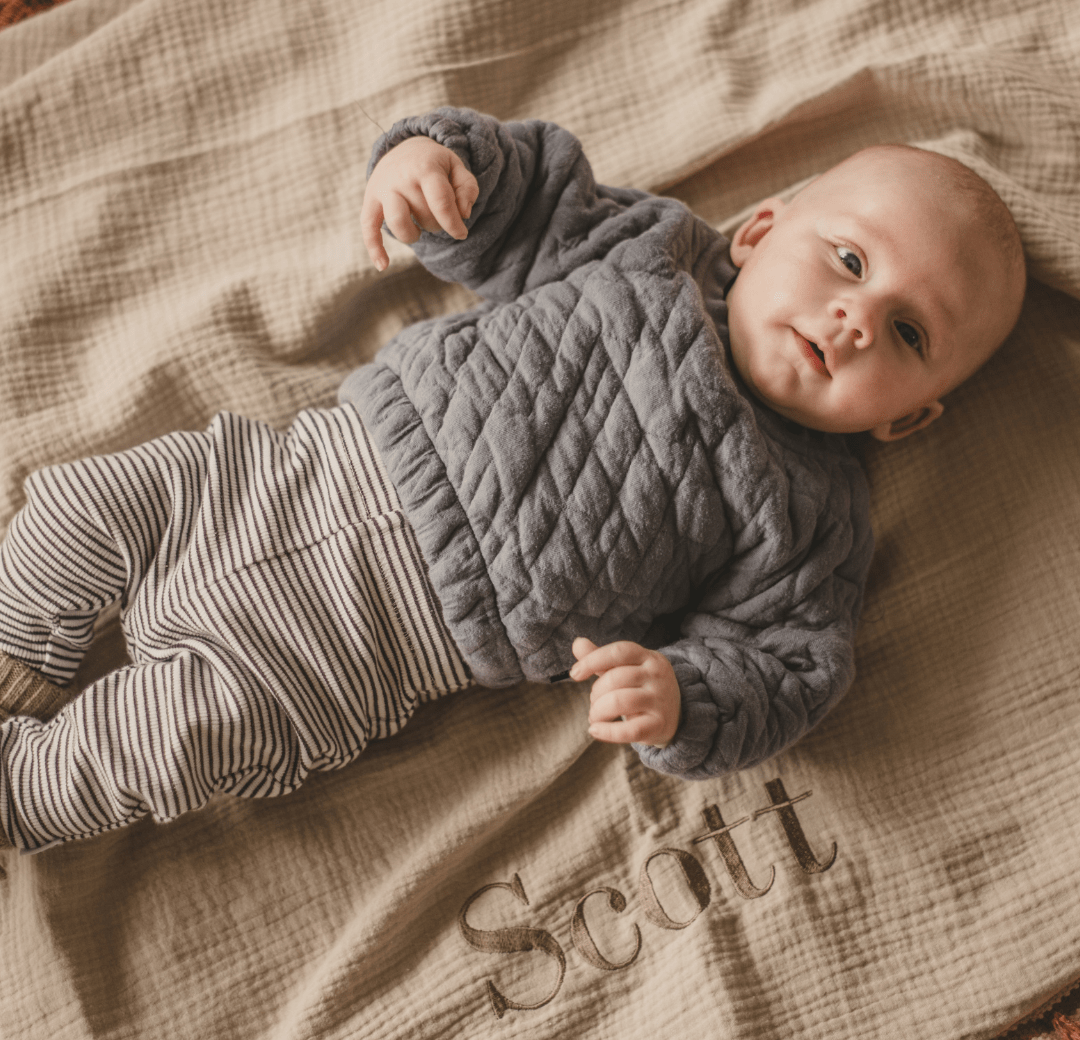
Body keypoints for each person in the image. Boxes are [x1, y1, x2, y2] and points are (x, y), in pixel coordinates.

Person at [0, 107, 1025, 854]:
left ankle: (17, 792)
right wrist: (437, 165)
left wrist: (682, 700)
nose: (854, 318)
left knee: (157, 743)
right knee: (85, 506)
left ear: (908, 416)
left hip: (353, 650)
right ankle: (11, 648)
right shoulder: (647, 248)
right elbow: (528, 200)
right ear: (759, 232)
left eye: (906, 331)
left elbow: (787, 668)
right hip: (272, 476)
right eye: (847, 259)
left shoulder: (816, 527)